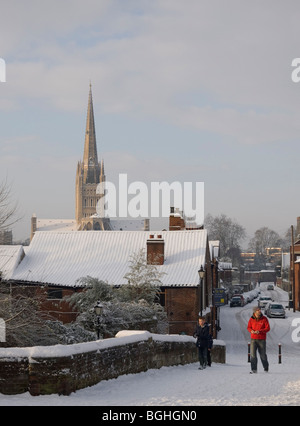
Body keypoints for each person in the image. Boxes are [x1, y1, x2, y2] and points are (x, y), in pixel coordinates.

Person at [247, 306, 270, 374]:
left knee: (262, 355)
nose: (259, 311)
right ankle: (254, 369)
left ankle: (266, 367)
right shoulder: (251, 319)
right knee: (253, 355)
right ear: (254, 311)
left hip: (262, 339)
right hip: (253, 339)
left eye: (260, 310)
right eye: (258, 310)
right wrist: (251, 331)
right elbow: (248, 327)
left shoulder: (264, 319)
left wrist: (260, 331)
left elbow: (267, 328)